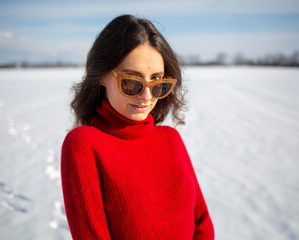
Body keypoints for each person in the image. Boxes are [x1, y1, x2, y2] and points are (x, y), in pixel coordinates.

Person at [61, 14, 214, 239]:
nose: (146, 96)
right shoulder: (84, 144)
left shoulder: (170, 138)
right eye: (131, 82)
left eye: (158, 83)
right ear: (102, 75)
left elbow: (201, 224)